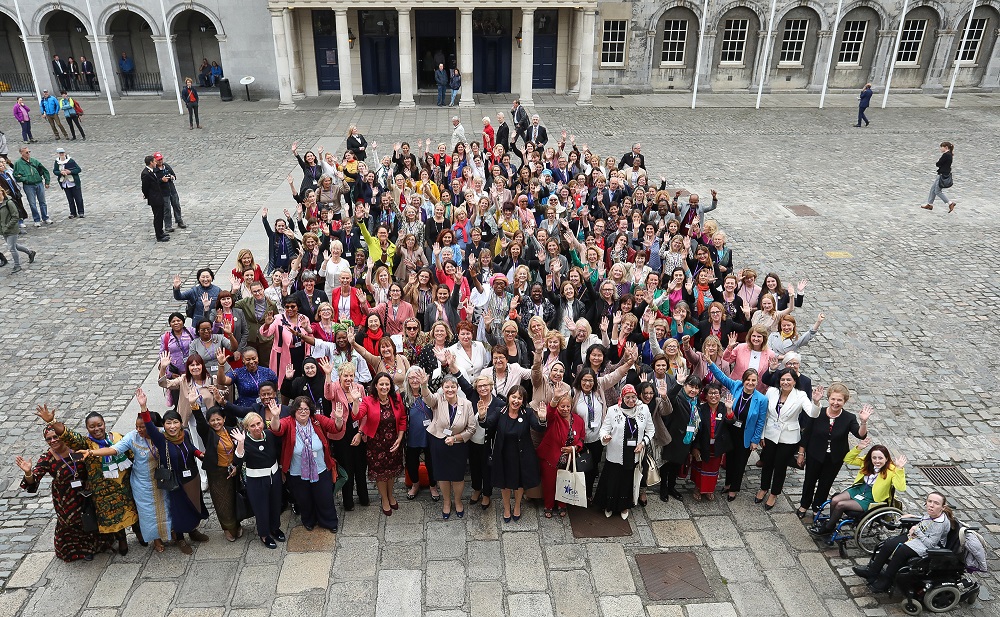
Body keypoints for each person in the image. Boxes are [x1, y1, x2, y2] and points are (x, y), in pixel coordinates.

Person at [37, 405, 139, 556]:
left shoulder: (118, 438)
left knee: (135, 513)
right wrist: (52, 422)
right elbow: (68, 435)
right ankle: (122, 540)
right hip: (104, 493)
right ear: (87, 428)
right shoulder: (85, 444)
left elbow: (132, 455)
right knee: (114, 519)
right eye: (92, 427)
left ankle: (140, 534)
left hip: (125, 486)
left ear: (104, 424)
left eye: (99, 425)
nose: (96, 429)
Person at [16, 425, 111, 561]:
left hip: (86, 491)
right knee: (72, 523)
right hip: (65, 497)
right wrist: (28, 472)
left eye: (56, 436)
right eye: (49, 439)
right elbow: (33, 480)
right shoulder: (47, 458)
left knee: (92, 516)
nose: (53, 441)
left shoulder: (76, 447)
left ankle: (100, 545)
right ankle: (82, 550)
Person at [83, 410, 173, 552]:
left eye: (143, 427)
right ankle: (156, 539)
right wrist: (92, 452)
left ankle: (169, 532)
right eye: (137, 426)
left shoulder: (162, 434)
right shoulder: (132, 437)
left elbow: (176, 429)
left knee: (166, 506)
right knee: (147, 513)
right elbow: (113, 450)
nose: (139, 430)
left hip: (161, 479)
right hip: (142, 483)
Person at [136, 389, 210, 554]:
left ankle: (193, 530)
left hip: (193, 477)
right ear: (164, 425)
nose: (172, 426)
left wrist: (199, 454)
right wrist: (144, 406)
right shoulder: (162, 441)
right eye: (168, 423)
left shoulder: (186, 435)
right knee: (180, 510)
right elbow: (149, 426)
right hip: (176, 482)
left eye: (175, 422)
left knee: (195, 504)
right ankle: (181, 538)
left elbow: (190, 448)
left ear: (180, 423)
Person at [270, 395, 346, 533]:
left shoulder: (317, 420)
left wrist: (339, 418)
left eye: (305, 409)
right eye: (299, 409)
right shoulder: (288, 422)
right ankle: (309, 520)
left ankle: (329, 521)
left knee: (324, 496)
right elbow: (276, 429)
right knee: (303, 498)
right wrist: (275, 416)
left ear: (310, 410)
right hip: (297, 471)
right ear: (294, 411)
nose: (303, 412)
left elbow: (335, 428)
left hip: (320, 468)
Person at [796, 383, 871, 518]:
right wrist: (801, 453)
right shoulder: (818, 412)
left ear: (845, 401)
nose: (835, 403)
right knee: (809, 481)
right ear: (829, 398)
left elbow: (860, 434)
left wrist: (864, 422)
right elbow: (806, 434)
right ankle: (804, 504)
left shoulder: (849, 418)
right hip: (815, 454)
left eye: (839, 400)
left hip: (834, 458)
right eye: (833, 399)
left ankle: (817, 507)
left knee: (825, 484)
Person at [854, 492, 948, 594]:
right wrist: (914, 517)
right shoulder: (933, 513)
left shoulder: (940, 524)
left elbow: (931, 544)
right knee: (889, 544)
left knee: (901, 551)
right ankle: (871, 572)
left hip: (928, 546)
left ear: (942, 507)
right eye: (929, 501)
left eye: (936, 503)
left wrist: (917, 531)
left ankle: (886, 582)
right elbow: (927, 520)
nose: (931, 505)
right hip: (918, 536)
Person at [811, 439, 907, 537]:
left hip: (872, 497)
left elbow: (901, 487)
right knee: (835, 500)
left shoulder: (892, 470)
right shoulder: (867, 462)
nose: (877, 461)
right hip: (861, 489)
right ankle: (832, 522)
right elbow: (848, 459)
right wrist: (858, 448)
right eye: (874, 458)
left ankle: (828, 528)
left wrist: (899, 469)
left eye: (880, 458)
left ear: (886, 459)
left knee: (840, 505)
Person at [756, 368, 822, 510]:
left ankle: (774, 493)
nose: (785, 382)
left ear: (794, 381)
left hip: (789, 436)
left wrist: (816, 402)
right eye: (783, 379)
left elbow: (812, 413)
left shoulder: (801, 395)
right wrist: (761, 434)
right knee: (767, 463)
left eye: (788, 380)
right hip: (770, 433)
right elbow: (764, 414)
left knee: (780, 466)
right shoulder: (772, 392)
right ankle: (763, 488)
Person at [420, 368, 476, 519]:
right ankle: (446, 502)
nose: (450, 389)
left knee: (457, 475)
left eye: (453, 386)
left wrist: (456, 438)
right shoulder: (438, 399)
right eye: (447, 387)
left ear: (457, 388)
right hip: (439, 441)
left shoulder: (467, 404)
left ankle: (457, 501)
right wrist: (424, 385)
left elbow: (471, 428)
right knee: (443, 475)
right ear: (442, 388)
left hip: (459, 444)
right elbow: (427, 398)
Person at [707, 362, 767, 501]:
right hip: (731, 430)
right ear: (743, 380)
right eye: (748, 380)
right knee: (729, 459)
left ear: (757, 382)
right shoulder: (737, 386)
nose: (750, 383)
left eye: (753, 380)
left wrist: (755, 440)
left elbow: (760, 421)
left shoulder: (761, 399)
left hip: (745, 434)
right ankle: (728, 484)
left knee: (740, 463)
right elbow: (721, 377)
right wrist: (710, 363)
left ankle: (734, 489)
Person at [595, 384, 655, 519]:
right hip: (615, 454)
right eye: (627, 397)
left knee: (627, 482)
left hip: (634, 453)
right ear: (622, 397)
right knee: (613, 481)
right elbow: (604, 429)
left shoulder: (643, 409)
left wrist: (643, 443)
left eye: (633, 397)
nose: (631, 400)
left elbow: (651, 430)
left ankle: (624, 506)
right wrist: (605, 437)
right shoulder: (613, 410)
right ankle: (609, 506)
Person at [485, 385, 543, 522]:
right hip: (503, 455)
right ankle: (506, 507)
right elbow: (487, 424)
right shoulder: (500, 411)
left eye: (519, 398)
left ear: (523, 400)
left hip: (521, 456)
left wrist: (542, 418)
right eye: (514, 397)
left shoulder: (527, 413)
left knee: (519, 483)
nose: (516, 400)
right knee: (504, 484)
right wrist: (482, 415)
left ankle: (517, 506)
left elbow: (539, 427)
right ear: (509, 398)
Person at [231, 411, 286, 549]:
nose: (257, 428)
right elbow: (237, 460)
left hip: (274, 476)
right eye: (252, 425)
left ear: (263, 422)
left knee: (275, 504)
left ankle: (275, 528)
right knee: (261, 508)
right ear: (247, 428)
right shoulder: (244, 441)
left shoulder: (269, 435)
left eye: (258, 423)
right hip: (256, 480)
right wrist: (241, 443)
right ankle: (264, 534)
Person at [355, 372, 407, 515]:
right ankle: (384, 498)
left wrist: (400, 437)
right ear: (376, 386)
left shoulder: (396, 398)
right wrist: (355, 401)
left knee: (391, 472)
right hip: (376, 444)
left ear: (390, 386)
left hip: (393, 442)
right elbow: (357, 415)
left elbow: (402, 418)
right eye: (381, 384)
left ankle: (391, 495)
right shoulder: (367, 400)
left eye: (387, 384)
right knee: (380, 474)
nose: (384, 387)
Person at [191, 404, 243, 541]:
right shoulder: (208, 434)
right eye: (212, 420)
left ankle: (237, 524)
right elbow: (201, 424)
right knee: (222, 503)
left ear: (224, 419)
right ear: (209, 422)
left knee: (235, 500)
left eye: (218, 419)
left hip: (233, 470)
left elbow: (240, 451)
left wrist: (236, 467)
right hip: (217, 474)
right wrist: (194, 407)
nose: (216, 423)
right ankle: (227, 528)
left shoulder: (232, 431)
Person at [536, 392, 584, 518]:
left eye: (568, 406)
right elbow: (549, 412)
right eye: (562, 406)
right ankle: (549, 505)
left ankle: (562, 504)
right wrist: (555, 399)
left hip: (568, 459)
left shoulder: (578, 420)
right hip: (551, 457)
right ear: (558, 406)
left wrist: (575, 447)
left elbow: (582, 438)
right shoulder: (553, 417)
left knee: (565, 481)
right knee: (549, 483)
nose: (565, 409)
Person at [689, 384, 733, 501]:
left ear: (720, 395)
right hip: (703, 445)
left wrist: (729, 410)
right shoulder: (700, 409)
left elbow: (731, 423)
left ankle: (709, 489)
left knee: (713, 469)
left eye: (716, 393)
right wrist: (695, 447)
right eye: (711, 393)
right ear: (706, 396)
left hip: (717, 445)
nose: (713, 396)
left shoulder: (724, 407)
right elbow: (696, 429)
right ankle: (698, 488)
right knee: (700, 468)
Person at [13, 146, 52, 227]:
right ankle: (36, 219)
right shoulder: (18, 163)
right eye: (26, 152)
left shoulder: (34, 161)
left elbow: (44, 170)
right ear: (21, 153)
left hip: (39, 183)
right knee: (32, 203)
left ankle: (45, 217)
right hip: (28, 186)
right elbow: (16, 175)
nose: (28, 154)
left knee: (43, 202)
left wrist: (47, 181)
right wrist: (25, 179)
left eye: (29, 152)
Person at [1, 185, 36, 272]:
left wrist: (8, 226)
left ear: (2, 192)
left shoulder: (9, 202)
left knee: (12, 248)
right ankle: (30, 252)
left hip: (11, 229)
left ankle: (17, 265)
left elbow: (15, 216)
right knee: (14, 246)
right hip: (3, 230)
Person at [154, 152, 186, 231]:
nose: (160, 161)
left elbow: (174, 175)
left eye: (161, 159)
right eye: (158, 160)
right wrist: (162, 180)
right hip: (163, 192)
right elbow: (154, 182)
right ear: (155, 160)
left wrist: (171, 177)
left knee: (176, 205)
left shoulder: (166, 166)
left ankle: (179, 220)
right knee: (167, 209)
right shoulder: (154, 170)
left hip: (172, 190)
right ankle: (168, 225)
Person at [921, 141, 956, 212]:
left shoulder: (946, 155)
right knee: (933, 189)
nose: (940, 149)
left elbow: (938, 163)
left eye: (941, 147)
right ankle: (930, 204)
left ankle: (950, 203)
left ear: (946, 147)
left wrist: (939, 163)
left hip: (942, 175)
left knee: (937, 191)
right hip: (943, 173)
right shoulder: (950, 155)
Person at [53, 147, 84, 218]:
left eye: (62, 153)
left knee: (78, 198)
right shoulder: (57, 162)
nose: (61, 154)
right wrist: (61, 172)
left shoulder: (70, 160)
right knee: (70, 199)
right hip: (65, 183)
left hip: (73, 182)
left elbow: (78, 169)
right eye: (60, 153)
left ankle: (81, 212)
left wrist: (70, 172)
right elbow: (55, 171)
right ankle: (73, 213)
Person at [142, 154, 167, 241]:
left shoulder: (152, 171)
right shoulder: (146, 173)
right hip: (154, 198)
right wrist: (147, 195)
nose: (156, 162)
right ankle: (159, 236)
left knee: (160, 216)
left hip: (158, 197)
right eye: (154, 161)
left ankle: (160, 231)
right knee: (157, 217)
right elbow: (145, 187)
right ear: (151, 163)